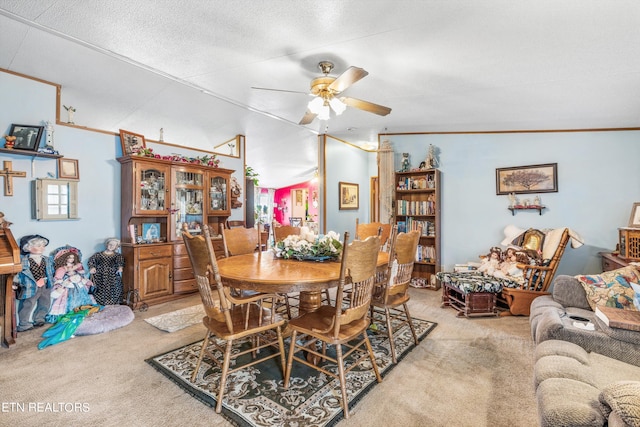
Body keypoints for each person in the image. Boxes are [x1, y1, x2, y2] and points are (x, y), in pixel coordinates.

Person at [13, 235, 55, 331]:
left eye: (43, 246)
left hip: (45, 285)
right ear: (28, 247)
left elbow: (50, 271)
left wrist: (52, 280)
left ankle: (39, 319)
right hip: (30, 286)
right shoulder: (23, 260)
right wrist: (15, 283)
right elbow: (18, 273)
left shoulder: (47, 259)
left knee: (45, 303)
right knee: (27, 304)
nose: (42, 248)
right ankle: (24, 324)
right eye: (39, 246)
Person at [48, 246, 96, 322]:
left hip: (79, 287)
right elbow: (58, 279)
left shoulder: (76, 267)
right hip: (69, 287)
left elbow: (82, 275)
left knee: (82, 298)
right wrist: (65, 283)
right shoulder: (62, 269)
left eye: (73, 258)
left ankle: (82, 311)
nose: (71, 259)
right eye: (69, 257)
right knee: (70, 300)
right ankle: (71, 313)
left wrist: (84, 279)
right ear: (64, 258)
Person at [88, 238, 125, 305]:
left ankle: (112, 303)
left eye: (113, 245)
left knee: (113, 289)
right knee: (100, 290)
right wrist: (92, 267)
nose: (111, 246)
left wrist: (120, 267)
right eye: (110, 244)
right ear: (107, 244)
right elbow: (91, 261)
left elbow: (120, 262)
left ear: (116, 247)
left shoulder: (117, 256)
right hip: (100, 275)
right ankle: (100, 303)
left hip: (112, 275)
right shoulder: (98, 255)